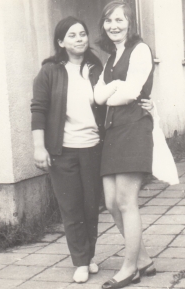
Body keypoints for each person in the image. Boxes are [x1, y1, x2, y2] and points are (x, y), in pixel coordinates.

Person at [31, 15, 153, 284]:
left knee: (93, 207)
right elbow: (38, 110)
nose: (79, 39)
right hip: (62, 149)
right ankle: (81, 261)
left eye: (82, 34)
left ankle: (92, 256)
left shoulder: (97, 66)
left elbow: (113, 97)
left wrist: (146, 103)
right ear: (60, 41)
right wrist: (39, 146)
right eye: (72, 35)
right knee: (71, 207)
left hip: (95, 146)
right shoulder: (50, 71)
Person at [94, 1, 156, 288]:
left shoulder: (140, 50)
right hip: (113, 131)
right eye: (108, 20)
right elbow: (97, 96)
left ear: (130, 23)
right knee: (110, 203)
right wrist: (113, 90)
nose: (113, 25)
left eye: (119, 19)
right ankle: (144, 259)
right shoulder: (112, 57)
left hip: (133, 128)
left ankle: (129, 268)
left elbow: (128, 95)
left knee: (126, 202)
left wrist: (113, 91)